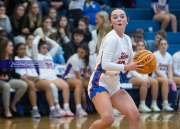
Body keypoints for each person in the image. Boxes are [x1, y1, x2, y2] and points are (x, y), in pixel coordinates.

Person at [88, 8, 142, 129]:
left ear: (127, 20)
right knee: (108, 119)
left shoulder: (127, 39)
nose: (119, 19)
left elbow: (132, 62)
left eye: (122, 16)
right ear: (110, 22)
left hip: (114, 83)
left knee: (135, 116)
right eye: (115, 17)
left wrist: (144, 70)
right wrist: (128, 67)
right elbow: (105, 65)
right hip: (99, 82)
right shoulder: (111, 38)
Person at [32, 35, 74, 116]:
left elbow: (56, 45)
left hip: (53, 77)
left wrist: (46, 38)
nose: (45, 50)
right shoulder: (36, 56)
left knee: (65, 85)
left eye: (46, 48)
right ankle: (57, 108)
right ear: (39, 48)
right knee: (52, 86)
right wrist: (38, 36)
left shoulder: (49, 55)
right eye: (43, 48)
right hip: (43, 78)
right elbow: (34, 44)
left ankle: (66, 108)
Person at [127, 40, 169, 113]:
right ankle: (142, 105)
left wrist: (145, 78)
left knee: (154, 82)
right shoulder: (132, 55)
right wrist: (144, 79)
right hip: (131, 77)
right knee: (144, 82)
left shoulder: (146, 56)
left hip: (142, 77)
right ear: (136, 47)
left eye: (142, 46)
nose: (140, 47)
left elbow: (146, 70)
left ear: (145, 47)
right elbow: (132, 71)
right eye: (139, 45)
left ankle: (153, 104)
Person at [0, 39, 28, 118]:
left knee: (23, 85)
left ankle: (13, 103)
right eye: (10, 46)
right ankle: (7, 110)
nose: (12, 48)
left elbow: (13, 73)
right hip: (2, 82)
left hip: (7, 80)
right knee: (6, 86)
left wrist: (21, 76)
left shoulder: (10, 58)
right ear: (5, 47)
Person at [14, 43, 41, 118]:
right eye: (21, 49)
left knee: (46, 84)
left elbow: (36, 75)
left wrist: (31, 78)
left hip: (31, 78)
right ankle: (35, 109)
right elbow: (14, 73)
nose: (23, 51)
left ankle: (54, 108)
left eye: (24, 49)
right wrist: (27, 78)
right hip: (21, 79)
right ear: (16, 50)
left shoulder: (29, 59)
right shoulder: (14, 59)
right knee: (31, 84)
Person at [62, 43, 90, 116]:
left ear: (86, 53)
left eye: (82, 52)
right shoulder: (74, 59)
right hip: (67, 77)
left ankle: (92, 106)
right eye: (78, 51)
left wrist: (89, 78)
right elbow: (78, 78)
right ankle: (78, 108)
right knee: (78, 83)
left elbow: (85, 73)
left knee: (91, 84)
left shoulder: (87, 59)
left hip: (77, 78)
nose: (79, 54)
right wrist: (83, 92)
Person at [151, 39, 175, 111]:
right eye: (161, 44)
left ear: (167, 45)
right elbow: (156, 71)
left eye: (165, 44)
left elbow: (170, 70)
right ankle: (165, 104)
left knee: (169, 81)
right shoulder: (155, 55)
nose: (163, 46)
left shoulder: (169, 56)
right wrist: (166, 79)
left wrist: (170, 79)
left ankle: (176, 102)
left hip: (165, 78)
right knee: (165, 81)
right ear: (159, 46)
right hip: (156, 77)